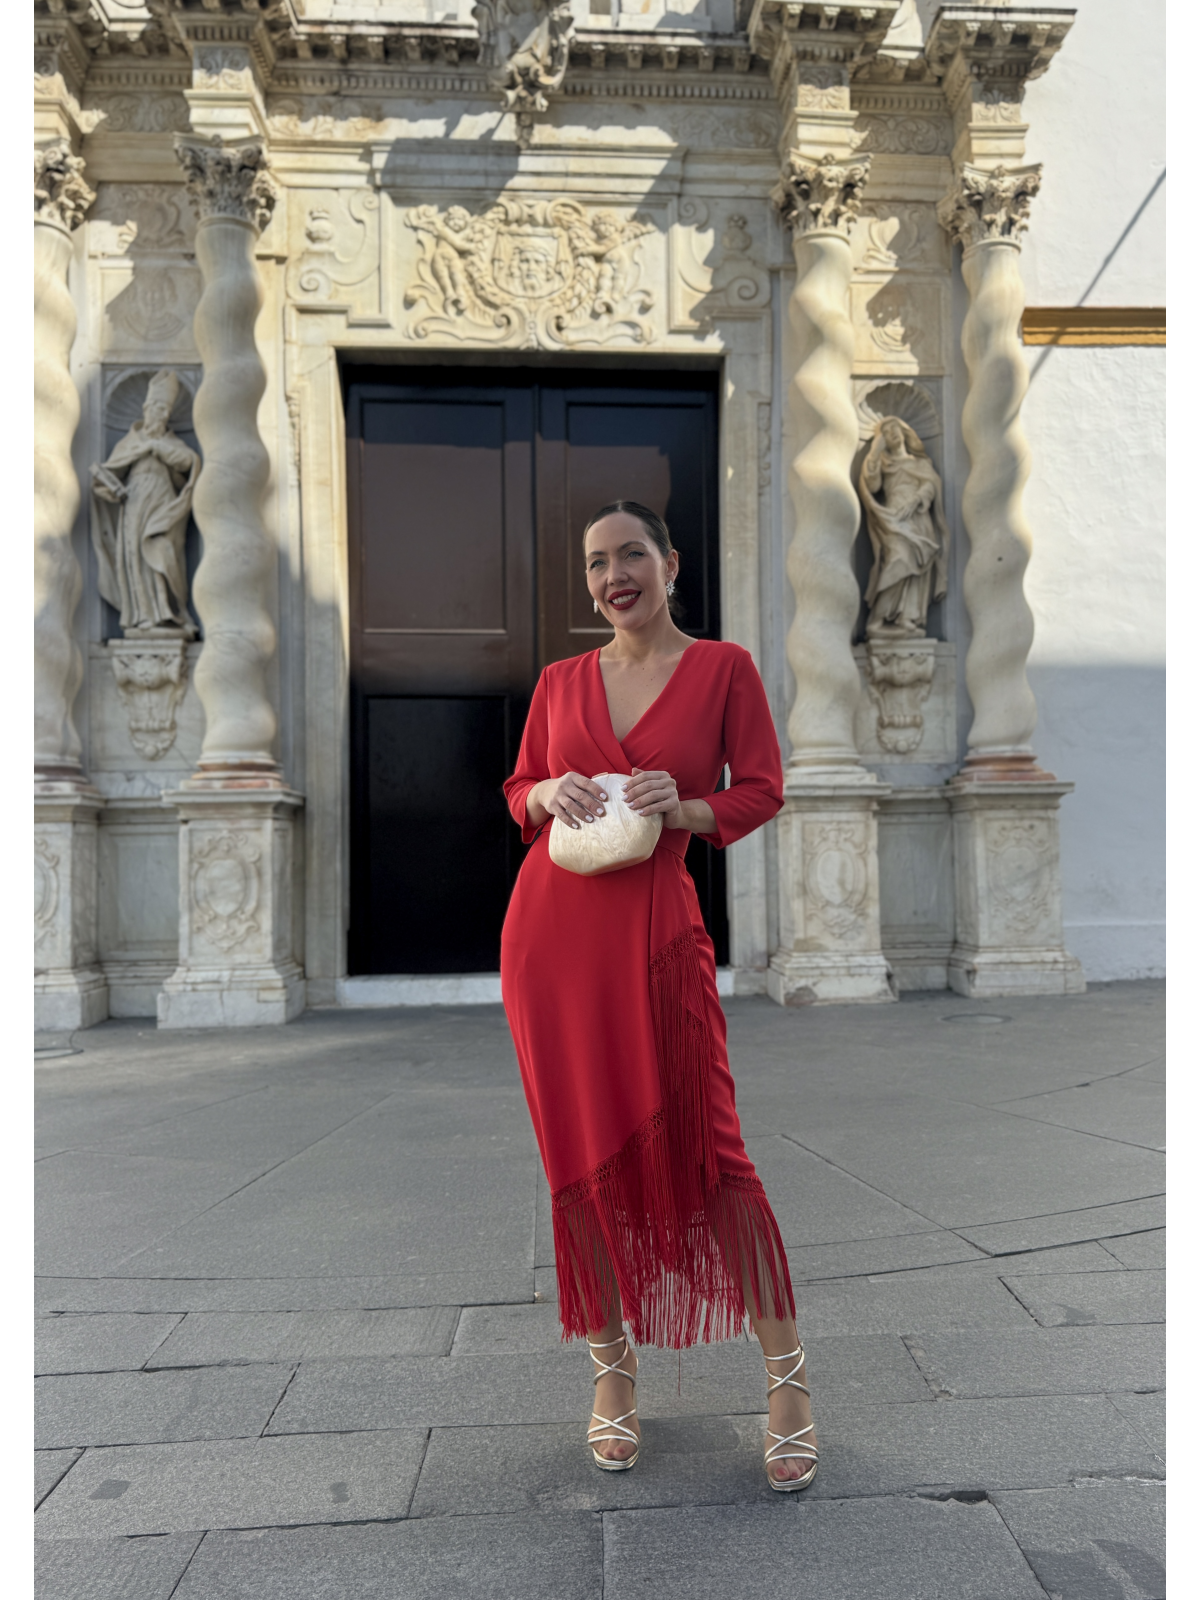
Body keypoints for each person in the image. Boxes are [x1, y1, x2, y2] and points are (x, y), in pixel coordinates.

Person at [500, 500, 818, 1490]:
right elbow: (516, 791)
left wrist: (683, 805)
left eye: (629, 553)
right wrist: (546, 794)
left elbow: (762, 786)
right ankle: (611, 1374)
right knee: (578, 1167)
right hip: (549, 946)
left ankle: (789, 1380)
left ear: (671, 562)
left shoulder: (723, 669)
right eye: (595, 563)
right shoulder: (558, 682)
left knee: (717, 1154)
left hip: (656, 940)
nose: (611, 576)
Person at [90, 369, 199, 636]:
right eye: (156, 409)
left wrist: (158, 448)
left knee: (161, 549)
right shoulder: (130, 443)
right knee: (136, 557)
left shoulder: (170, 443)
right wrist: (110, 490)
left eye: (164, 410)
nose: (160, 415)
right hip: (135, 502)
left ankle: (170, 613)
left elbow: (188, 462)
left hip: (164, 503)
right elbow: (108, 476)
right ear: (145, 409)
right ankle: (144, 616)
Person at [858, 415, 949, 637]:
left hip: (918, 517)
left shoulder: (921, 463)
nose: (892, 434)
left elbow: (931, 485)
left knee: (919, 564)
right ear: (883, 440)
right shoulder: (883, 462)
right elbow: (873, 484)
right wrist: (873, 452)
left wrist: (917, 498)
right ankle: (877, 620)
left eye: (895, 429)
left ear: (905, 433)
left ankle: (908, 618)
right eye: (887, 433)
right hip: (893, 517)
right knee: (898, 559)